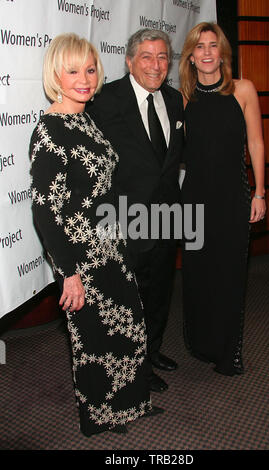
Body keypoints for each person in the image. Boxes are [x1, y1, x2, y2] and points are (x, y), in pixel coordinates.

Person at [29, 33, 161, 437]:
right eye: (73, 71)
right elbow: (45, 211)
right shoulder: (50, 131)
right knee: (94, 339)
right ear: (56, 74)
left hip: (110, 243)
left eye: (89, 69)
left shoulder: (84, 117)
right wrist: (68, 272)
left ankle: (131, 402)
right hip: (80, 255)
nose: (83, 79)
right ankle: (101, 416)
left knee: (128, 325)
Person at [88, 29, 184, 392]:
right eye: (146, 56)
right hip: (124, 220)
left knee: (160, 292)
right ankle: (132, 368)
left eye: (162, 57)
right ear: (129, 61)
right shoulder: (106, 101)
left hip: (167, 218)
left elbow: (170, 161)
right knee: (130, 299)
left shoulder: (174, 100)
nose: (155, 65)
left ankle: (152, 352)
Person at [179, 22, 266, 376]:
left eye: (213, 46)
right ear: (191, 56)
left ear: (222, 52)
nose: (207, 53)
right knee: (199, 273)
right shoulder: (184, 97)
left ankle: (228, 353)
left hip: (233, 195)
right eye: (200, 47)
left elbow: (256, 143)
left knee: (229, 274)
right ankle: (202, 343)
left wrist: (260, 191)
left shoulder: (243, 90)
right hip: (194, 198)